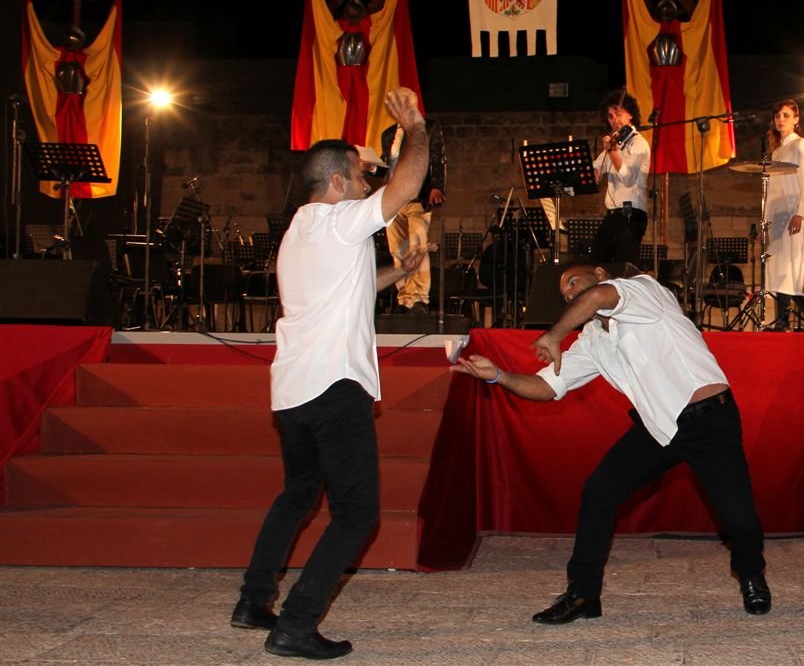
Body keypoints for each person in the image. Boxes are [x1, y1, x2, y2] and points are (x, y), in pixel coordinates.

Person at [452, 263, 770, 623]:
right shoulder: (592, 340)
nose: (571, 292)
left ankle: (751, 573)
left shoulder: (642, 290)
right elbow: (547, 386)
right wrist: (497, 375)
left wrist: (554, 334)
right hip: (658, 426)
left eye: (574, 282)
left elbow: (599, 296)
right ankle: (583, 594)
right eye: (566, 293)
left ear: (600, 273)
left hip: (709, 418)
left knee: (738, 517)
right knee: (599, 491)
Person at [230, 87, 429, 660]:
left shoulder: (300, 230)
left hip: (293, 391)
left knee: (298, 494)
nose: (368, 182)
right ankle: (295, 625)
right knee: (357, 515)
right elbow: (407, 186)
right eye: (360, 176)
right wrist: (415, 127)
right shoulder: (341, 220)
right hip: (333, 388)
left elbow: (345, 290)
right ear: (338, 183)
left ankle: (253, 600)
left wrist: (397, 273)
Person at [763, 100, 804, 332]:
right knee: (782, 270)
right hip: (778, 216)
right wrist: (767, 223)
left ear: (796, 119)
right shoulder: (777, 150)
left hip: (793, 213)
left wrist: (800, 213)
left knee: (789, 269)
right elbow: (772, 191)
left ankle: (787, 322)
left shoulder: (801, 144)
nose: (781, 119)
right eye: (777, 115)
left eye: (786, 115)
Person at [380, 112, 446, 314]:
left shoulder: (428, 127)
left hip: (418, 197)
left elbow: (437, 157)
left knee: (418, 244)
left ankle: (419, 297)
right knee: (398, 248)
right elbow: (387, 166)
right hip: (394, 198)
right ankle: (405, 298)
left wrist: (436, 186)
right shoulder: (388, 134)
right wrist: (372, 168)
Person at [591, 89, 651, 266]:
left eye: (618, 114)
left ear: (630, 115)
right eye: (610, 116)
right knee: (596, 264)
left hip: (631, 215)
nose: (614, 120)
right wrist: (593, 174)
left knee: (624, 268)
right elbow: (596, 167)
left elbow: (628, 178)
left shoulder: (638, 143)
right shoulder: (615, 142)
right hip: (613, 214)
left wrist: (613, 153)